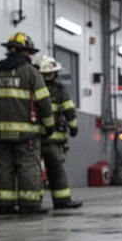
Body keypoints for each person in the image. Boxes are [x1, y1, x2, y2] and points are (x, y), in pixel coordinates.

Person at [0, 32, 53, 215]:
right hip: (27, 133)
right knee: (28, 166)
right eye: (29, 53)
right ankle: (29, 204)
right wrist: (49, 125)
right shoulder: (31, 72)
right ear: (25, 52)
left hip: (2, 132)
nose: (30, 56)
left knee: (5, 166)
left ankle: (5, 204)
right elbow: (44, 102)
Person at [36, 56, 82, 210]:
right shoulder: (58, 89)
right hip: (48, 139)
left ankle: (35, 202)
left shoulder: (33, 88)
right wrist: (73, 126)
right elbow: (69, 109)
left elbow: (68, 108)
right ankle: (59, 200)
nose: (48, 76)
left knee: (37, 170)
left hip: (38, 138)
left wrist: (73, 125)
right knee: (53, 171)